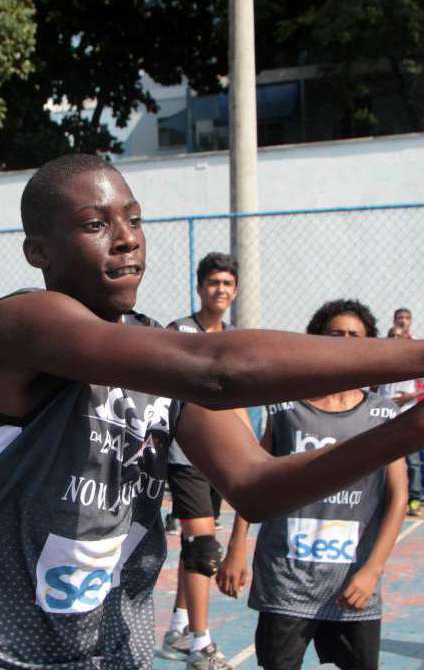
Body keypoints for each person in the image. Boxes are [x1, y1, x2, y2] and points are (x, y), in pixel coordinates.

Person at [0, 154, 424, 670]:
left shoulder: (150, 354)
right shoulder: (24, 323)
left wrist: (411, 427)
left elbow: (256, 482)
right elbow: (216, 370)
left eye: (133, 220)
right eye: (95, 224)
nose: (127, 237)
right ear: (38, 250)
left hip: (99, 650)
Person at [216, 299, 409, 670]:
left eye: (355, 335)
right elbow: (254, 478)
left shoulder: (383, 414)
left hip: (352, 582)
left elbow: (398, 496)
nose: (345, 341)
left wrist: (372, 570)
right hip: (287, 581)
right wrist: (237, 545)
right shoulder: (287, 408)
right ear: (316, 341)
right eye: (335, 334)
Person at [160, 251, 252, 668]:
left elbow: (239, 402)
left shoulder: (234, 338)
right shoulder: (179, 332)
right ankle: (201, 645)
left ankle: (178, 628)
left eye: (227, 284)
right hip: (186, 454)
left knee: (197, 544)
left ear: (234, 292)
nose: (220, 289)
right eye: (213, 282)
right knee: (203, 549)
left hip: (221, 456)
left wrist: (252, 446)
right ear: (200, 288)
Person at [376, 311, 424, 516]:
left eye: (398, 336)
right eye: (391, 337)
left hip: (407, 412)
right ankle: (385, 499)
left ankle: (414, 499)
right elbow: (373, 386)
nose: (394, 340)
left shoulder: (415, 355)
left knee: (412, 460)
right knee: (380, 458)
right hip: (383, 414)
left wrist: (409, 397)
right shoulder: (381, 358)